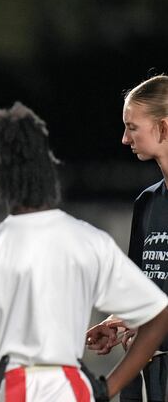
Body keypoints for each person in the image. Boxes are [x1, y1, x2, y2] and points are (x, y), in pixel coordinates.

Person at [0, 102, 168, 401]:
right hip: (72, 390)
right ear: (50, 170)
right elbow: (158, 315)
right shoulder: (88, 240)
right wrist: (106, 388)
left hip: (10, 389)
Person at [86, 75, 168, 401]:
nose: (124, 138)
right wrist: (122, 320)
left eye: (132, 127)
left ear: (163, 127)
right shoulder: (148, 203)